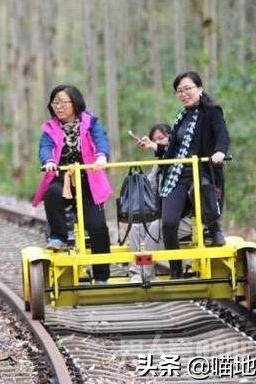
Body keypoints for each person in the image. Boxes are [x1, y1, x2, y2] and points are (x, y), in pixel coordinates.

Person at [137, 71, 230, 279]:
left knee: (202, 191)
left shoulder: (212, 112)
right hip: (177, 177)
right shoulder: (181, 118)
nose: (184, 93)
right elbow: (172, 152)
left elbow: (222, 134)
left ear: (200, 89)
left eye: (188, 88)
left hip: (202, 173)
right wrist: (154, 146)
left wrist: (220, 152)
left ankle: (214, 228)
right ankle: (176, 270)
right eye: (179, 90)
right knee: (168, 223)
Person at [31, 85, 113, 285]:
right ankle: (58, 236)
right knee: (52, 193)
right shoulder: (50, 128)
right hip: (62, 177)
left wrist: (101, 156)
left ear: (75, 103)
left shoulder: (90, 122)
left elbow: (100, 141)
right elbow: (46, 147)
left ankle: (101, 276)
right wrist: (49, 161)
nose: (58, 107)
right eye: (55, 102)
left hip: (88, 179)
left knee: (97, 227)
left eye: (63, 102)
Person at [127, 123, 193, 282]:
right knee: (136, 227)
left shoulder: (184, 162)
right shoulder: (159, 166)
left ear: (172, 139)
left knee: (157, 227)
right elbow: (149, 188)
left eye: (162, 138)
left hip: (188, 218)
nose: (159, 143)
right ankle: (137, 271)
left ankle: (145, 274)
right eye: (155, 140)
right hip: (165, 217)